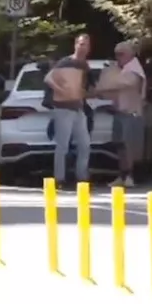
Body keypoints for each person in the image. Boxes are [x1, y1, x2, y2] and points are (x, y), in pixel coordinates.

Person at [95, 40, 146, 187]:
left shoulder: (134, 70)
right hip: (119, 111)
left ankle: (130, 175)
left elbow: (115, 84)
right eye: (116, 54)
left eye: (121, 54)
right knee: (119, 145)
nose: (118, 57)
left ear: (130, 54)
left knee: (128, 145)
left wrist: (106, 80)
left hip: (131, 112)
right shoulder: (119, 69)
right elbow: (104, 89)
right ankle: (122, 175)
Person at [45, 34, 93, 188]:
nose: (82, 47)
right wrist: (61, 90)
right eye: (79, 43)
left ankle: (82, 177)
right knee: (63, 145)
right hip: (63, 108)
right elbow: (48, 78)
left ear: (89, 47)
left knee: (85, 144)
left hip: (78, 108)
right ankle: (59, 179)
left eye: (85, 44)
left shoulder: (85, 65)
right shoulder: (66, 62)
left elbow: (85, 85)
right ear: (75, 45)